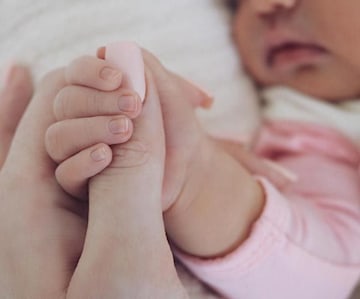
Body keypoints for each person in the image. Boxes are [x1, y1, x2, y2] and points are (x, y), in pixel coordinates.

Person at [1, 0, 360, 298]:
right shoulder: (301, 118)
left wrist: (196, 181)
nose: (265, 6)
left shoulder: (336, 134)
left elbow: (322, 275)